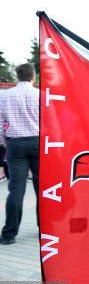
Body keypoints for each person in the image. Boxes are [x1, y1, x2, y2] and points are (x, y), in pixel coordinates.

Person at [0, 63, 40, 245]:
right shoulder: (40, 95)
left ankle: (9, 235)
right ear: (33, 76)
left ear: (17, 76)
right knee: (43, 189)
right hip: (38, 143)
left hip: (15, 143)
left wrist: (5, 143)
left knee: (16, 189)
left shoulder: (4, 96)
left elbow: (0, 123)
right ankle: (45, 230)